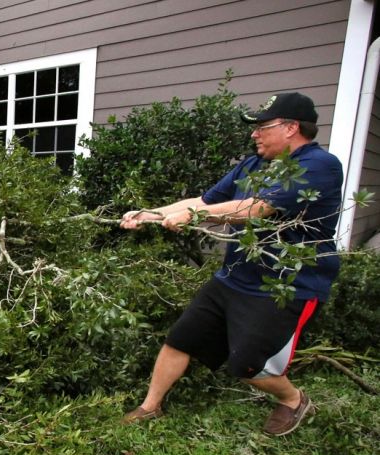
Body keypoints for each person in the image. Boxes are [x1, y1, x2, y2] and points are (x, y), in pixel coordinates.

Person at [119, 92, 343, 436]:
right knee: (180, 338)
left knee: (248, 365)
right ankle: (150, 407)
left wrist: (192, 215)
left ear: (291, 128)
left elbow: (258, 208)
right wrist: (150, 214)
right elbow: (205, 200)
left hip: (285, 286)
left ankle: (294, 400)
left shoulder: (318, 166)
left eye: (262, 126)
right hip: (235, 276)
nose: (254, 133)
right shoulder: (253, 165)